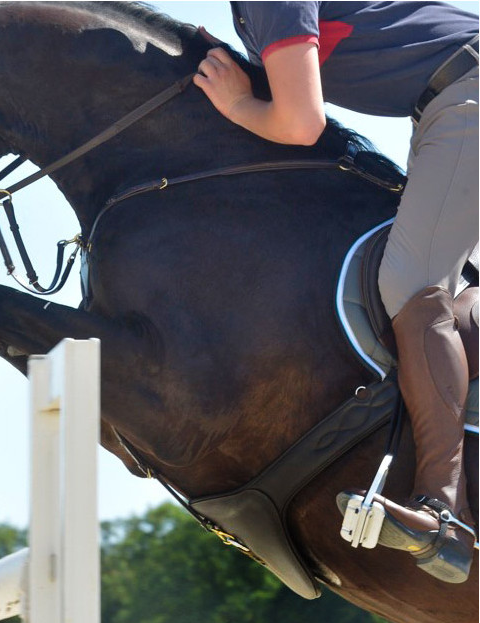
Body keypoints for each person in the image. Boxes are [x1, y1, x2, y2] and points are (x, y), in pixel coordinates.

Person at [194, 2, 478, 580]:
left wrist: (238, 104)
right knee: (444, 289)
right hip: (447, 102)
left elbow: (300, 125)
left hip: (465, 96)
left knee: (412, 284)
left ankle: (444, 513)